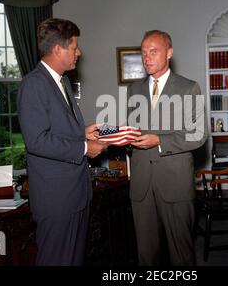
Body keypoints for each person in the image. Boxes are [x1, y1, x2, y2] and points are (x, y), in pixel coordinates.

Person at [17, 18, 108, 265]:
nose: (79, 52)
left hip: (76, 195)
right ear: (58, 49)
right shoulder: (33, 84)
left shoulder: (62, 81)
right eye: (74, 46)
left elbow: (57, 129)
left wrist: (83, 132)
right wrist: (84, 147)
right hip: (56, 200)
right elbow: (36, 140)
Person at [127, 30, 206, 265]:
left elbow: (199, 134)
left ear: (169, 53)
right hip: (141, 184)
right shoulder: (134, 90)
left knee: (181, 254)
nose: (146, 58)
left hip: (175, 183)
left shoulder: (189, 87)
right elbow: (136, 130)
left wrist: (160, 140)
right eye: (143, 53)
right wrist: (121, 137)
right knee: (146, 255)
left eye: (153, 51)